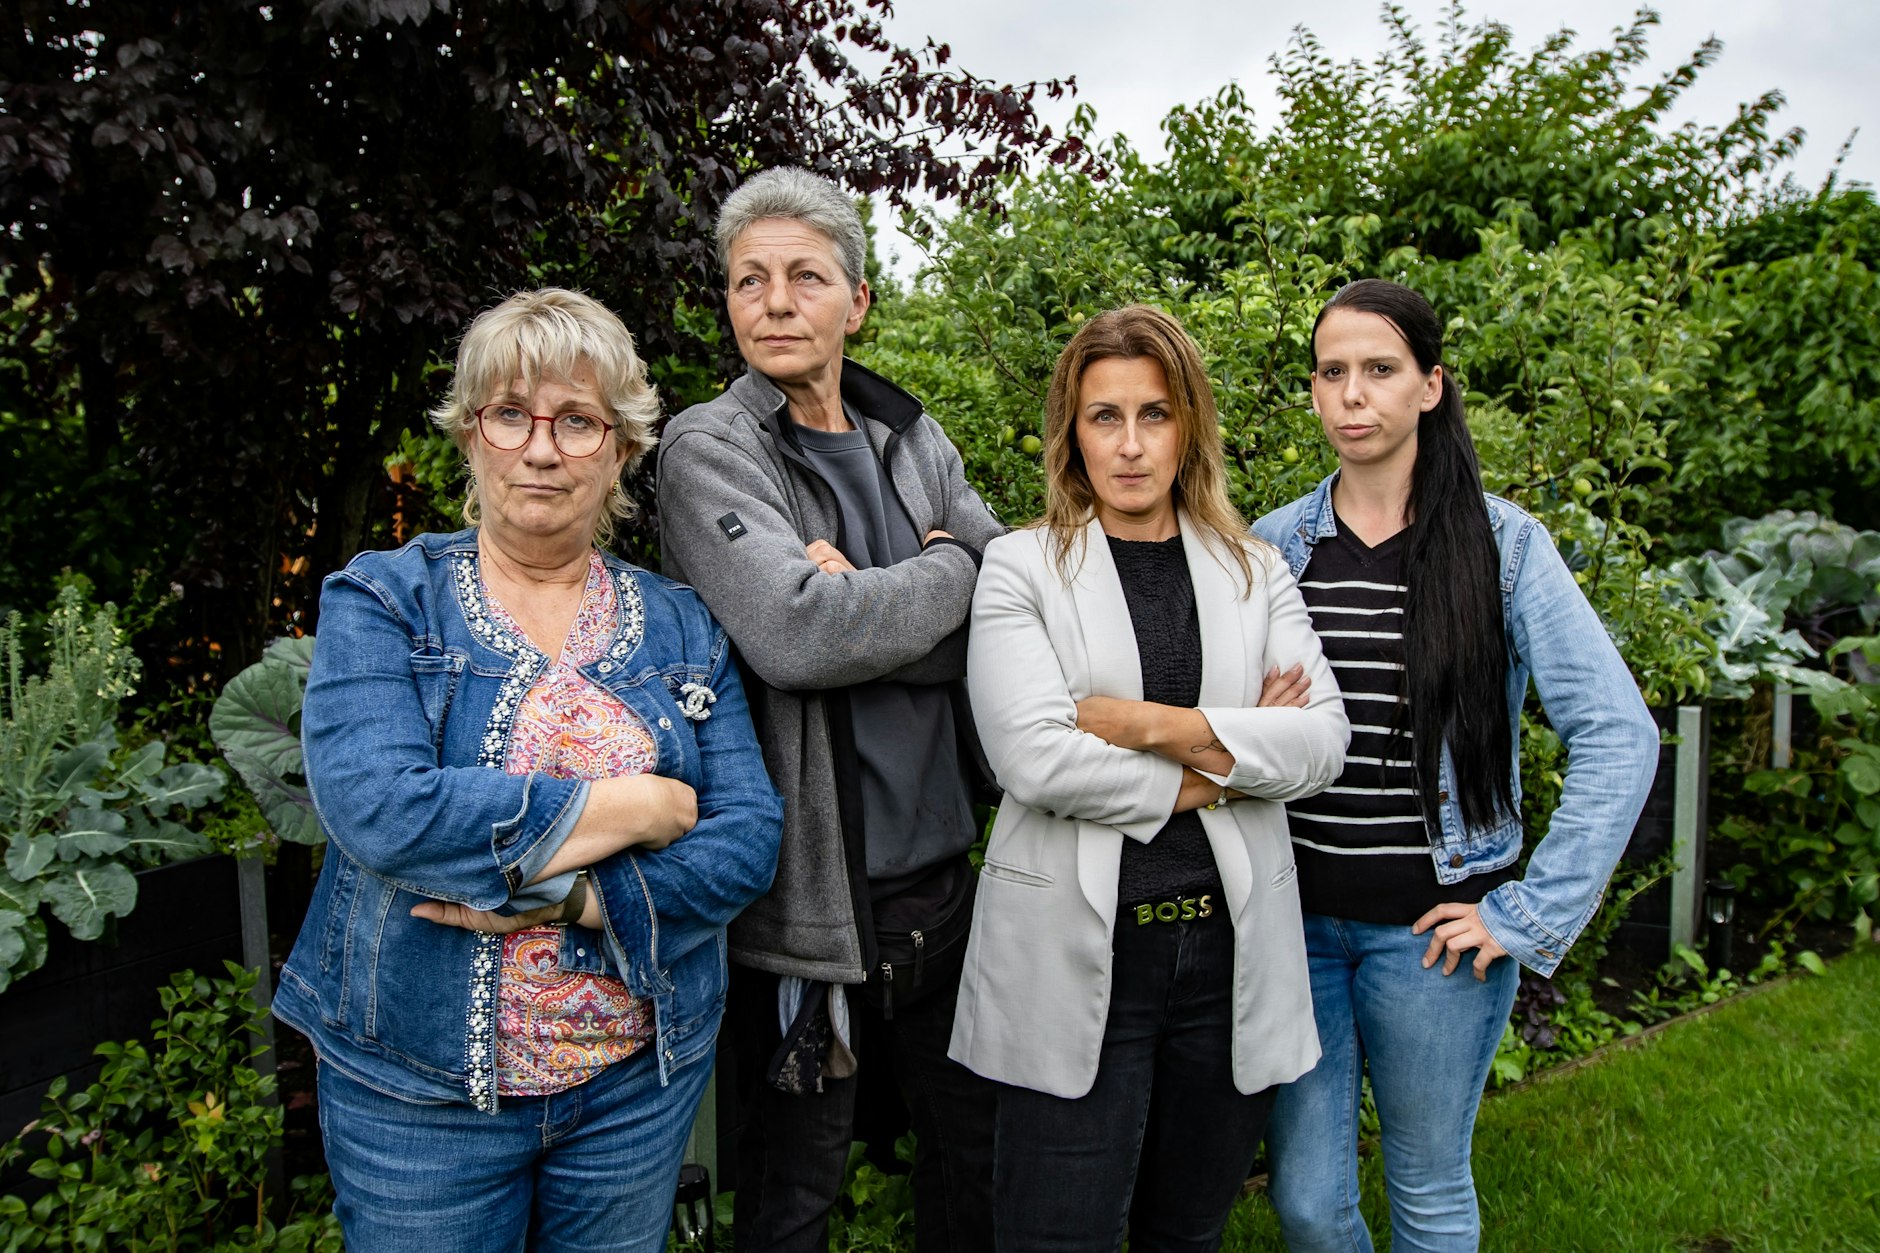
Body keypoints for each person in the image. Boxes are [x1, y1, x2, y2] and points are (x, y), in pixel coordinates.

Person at [271, 288, 784, 1253]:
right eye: (511, 414)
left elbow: (748, 838)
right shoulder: (385, 599)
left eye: (577, 421)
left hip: (635, 1087)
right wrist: (633, 804)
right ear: (472, 434)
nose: (541, 449)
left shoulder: (681, 625)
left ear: (620, 450)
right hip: (418, 1098)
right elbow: (382, 807)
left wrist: (578, 899)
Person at [1253, 278, 1661, 1252]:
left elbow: (1618, 731)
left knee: (1428, 1190)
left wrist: (1524, 913)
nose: (1353, 393)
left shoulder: (1502, 545)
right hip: (1291, 931)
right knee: (1305, 1201)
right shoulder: (1272, 548)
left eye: (1379, 369)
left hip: (1433, 942)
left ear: (1430, 386)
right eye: (1332, 372)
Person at [949, 304, 1350, 1253]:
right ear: (1072, 432)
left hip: (1227, 959)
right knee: (1056, 1238)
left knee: (1189, 1233)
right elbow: (1035, 760)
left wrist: (1146, 725)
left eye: (1155, 414)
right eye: (1105, 416)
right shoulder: (1021, 567)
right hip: (1078, 955)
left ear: (1189, 427)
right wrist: (1235, 761)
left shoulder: (1255, 570)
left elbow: (1322, 742)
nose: (1130, 445)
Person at [656, 167, 1004, 1253]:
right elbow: (797, 634)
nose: (773, 301)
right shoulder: (710, 451)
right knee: (791, 1201)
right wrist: (940, 574)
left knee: (971, 1168)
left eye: (804, 277)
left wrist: (869, 604)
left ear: (856, 301)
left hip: (942, 886)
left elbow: (1013, 605)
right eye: (747, 279)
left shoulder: (911, 434)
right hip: (805, 911)